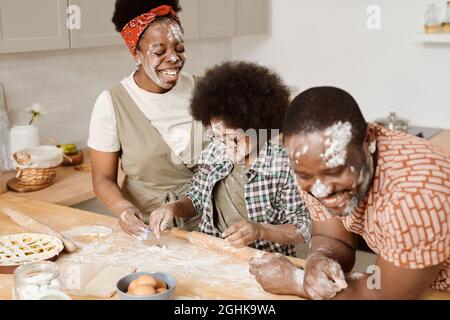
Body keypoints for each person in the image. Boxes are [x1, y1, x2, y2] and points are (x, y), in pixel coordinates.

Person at [250, 86, 449, 298]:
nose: (321, 190)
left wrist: (296, 282)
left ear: (369, 143)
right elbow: (334, 239)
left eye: (335, 171)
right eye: (306, 176)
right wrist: (320, 258)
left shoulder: (416, 196)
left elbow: (383, 295)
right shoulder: (312, 162)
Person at [149, 62, 311, 256]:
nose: (227, 146)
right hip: (213, 254)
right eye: (219, 137)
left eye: (234, 138)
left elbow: (303, 226)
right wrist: (172, 208)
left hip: (265, 260)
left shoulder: (283, 166)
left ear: (259, 127)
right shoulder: (215, 152)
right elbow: (196, 199)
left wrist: (260, 230)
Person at [88, 0, 206, 240]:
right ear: (137, 54)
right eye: (159, 51)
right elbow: (103, 179)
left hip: (210, 225)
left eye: (179, 48)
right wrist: (123, 209)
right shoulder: (112, 103)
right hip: (148, 230)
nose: (173, 58)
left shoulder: (207, 90)